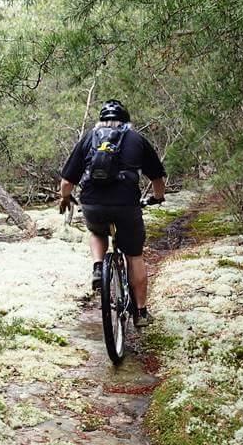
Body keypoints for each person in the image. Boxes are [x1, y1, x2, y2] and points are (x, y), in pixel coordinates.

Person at [58, 99, 166, 327]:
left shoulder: (90, 137)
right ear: (126, 121)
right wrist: (157, 197)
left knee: (97, 233)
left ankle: (98, 267)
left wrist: (65, 197)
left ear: (101, 121)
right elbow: (157, 178)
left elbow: (67, 181)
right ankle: (142, 313)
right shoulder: (136, 139)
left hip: (93, 203)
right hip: (126, 205)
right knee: (134, 255)